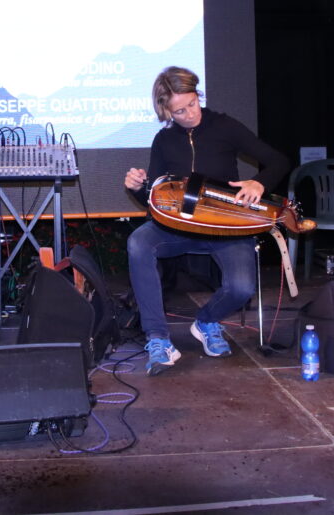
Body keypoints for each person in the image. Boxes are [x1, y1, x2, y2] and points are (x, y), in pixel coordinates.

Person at [124, 66, 289, 375]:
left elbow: (279, 161)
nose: (190, 114)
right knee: (138, 242)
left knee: (241, 288)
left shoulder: (224, 126)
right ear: (166, 112)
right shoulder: (164, 140)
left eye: (193, 103)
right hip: (177, 228)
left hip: (226, 228)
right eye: (180, 111)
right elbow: (154, 201)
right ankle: (158, 339)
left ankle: (207, 321)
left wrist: (259, 183)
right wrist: (137, 188)